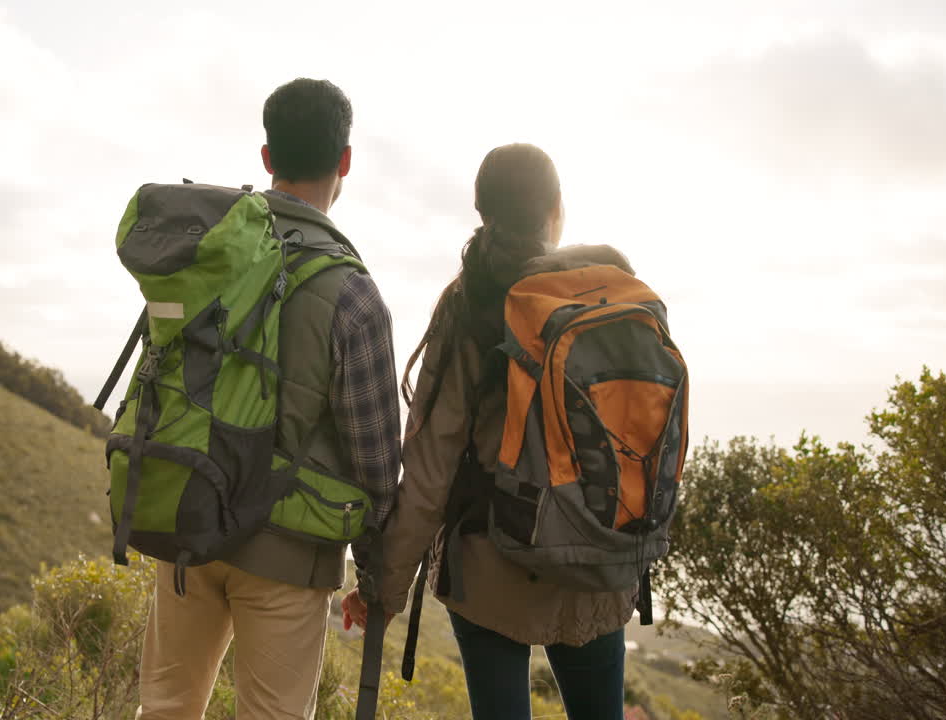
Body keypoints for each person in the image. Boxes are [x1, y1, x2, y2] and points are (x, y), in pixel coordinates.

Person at [136, 78, 401, 720]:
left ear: (265, 157)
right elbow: (376, 462)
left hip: (190, 522)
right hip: (287, 552)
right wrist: (375, 576)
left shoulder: (205, 254)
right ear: (344, 161)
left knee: (165, 706)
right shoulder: (352, 292)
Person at [343, 144, 636, 720]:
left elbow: (429, 475)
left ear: (482, 211)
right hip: (597, 563)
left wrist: (384, 588)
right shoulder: (613, 291)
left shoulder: (471, 304)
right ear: (557, 207)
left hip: (491, 568)